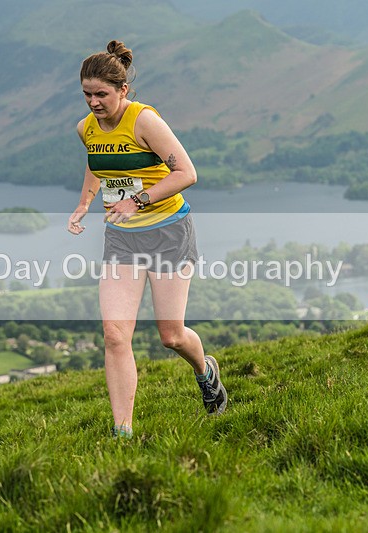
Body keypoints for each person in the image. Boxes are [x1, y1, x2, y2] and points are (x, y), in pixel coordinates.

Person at [67, 40, 227, 439]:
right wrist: (84, 204)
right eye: (86, 94)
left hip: (169, 233)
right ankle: (123, 432)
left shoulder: (144, 121)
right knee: (115, 334)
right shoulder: (86, 128)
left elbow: (186, 173)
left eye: (101, 94)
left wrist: (137, 201)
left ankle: (205, 371)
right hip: (122, 239)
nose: (93, 103)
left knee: (171, 336)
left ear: (122, 90)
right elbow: (98, 165)